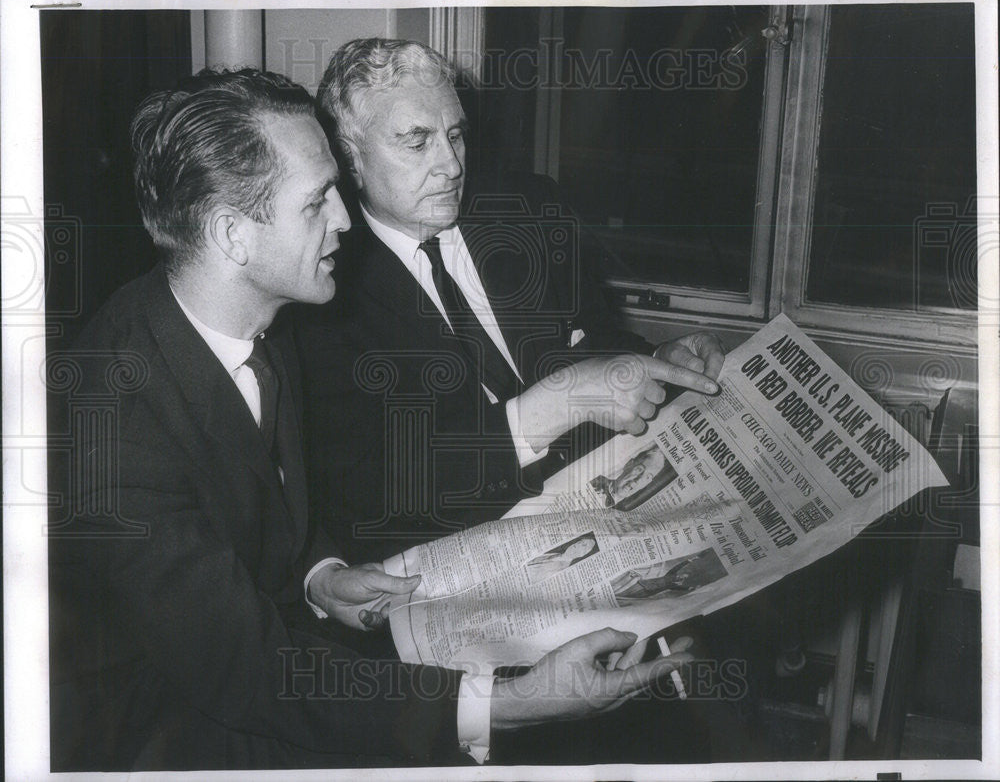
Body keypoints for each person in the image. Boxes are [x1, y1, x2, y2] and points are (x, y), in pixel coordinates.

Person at [46, 68, 692, 771]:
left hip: (265, 667)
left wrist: (320, 572)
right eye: (318, 201)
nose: (347, 221)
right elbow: (249, 675)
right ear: (232, 234)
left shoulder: (268, 323)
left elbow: (261, 513)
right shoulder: (110, 416)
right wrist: (510, 702)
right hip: (155, 732)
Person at [297, 38, 726, 562]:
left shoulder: (528, 210)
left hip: (602, 515)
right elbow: (371, 491)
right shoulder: (321, 291)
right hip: (462, 559)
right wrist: (556, 404)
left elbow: (595, 337)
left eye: (455, 135)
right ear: (349, 157)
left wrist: (658, 359)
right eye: (417, 142)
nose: (451, 165)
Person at [590, 444, 678, 511]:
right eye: (640, 470)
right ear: (628, 465)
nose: (637, 480)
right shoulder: (594, 479)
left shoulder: (626, 510)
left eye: (647, 477)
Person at [525, 534, 599, 584]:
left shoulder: (562, 569)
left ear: (583, 554)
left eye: (584, 545)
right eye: (580, 541)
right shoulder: (556, 553)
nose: (578, 544)